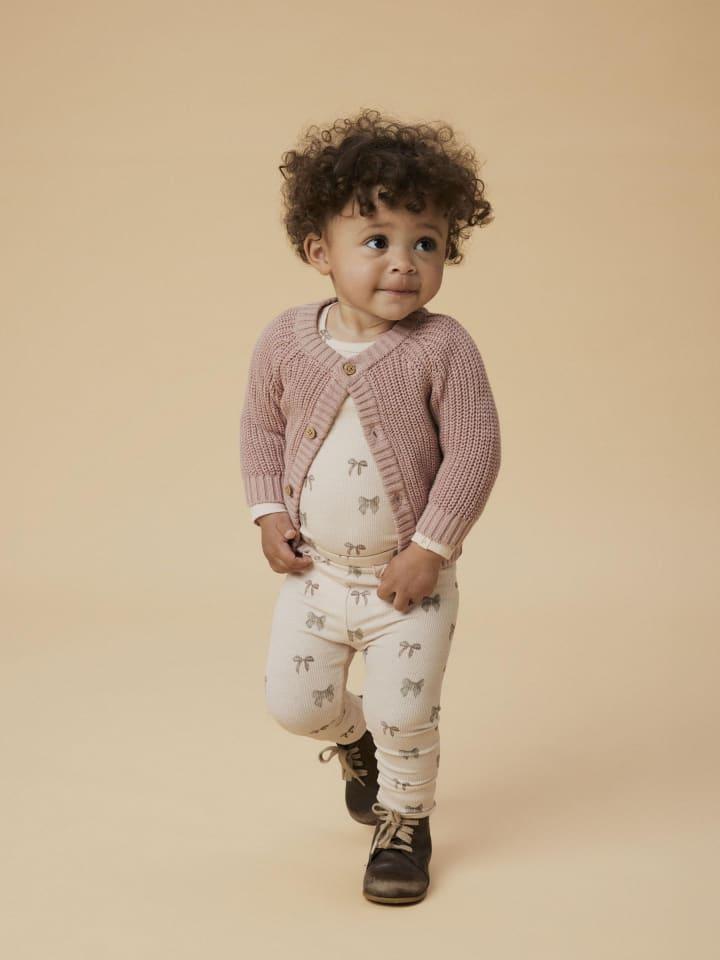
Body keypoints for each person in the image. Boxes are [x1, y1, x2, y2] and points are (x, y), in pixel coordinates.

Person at [238, 107, 501, 905]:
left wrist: (431, 549)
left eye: (426, 242)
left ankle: (405, 823)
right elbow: (260, 427)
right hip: (317, 577)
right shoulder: (285, 340)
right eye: (377, 239)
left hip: (407, 584)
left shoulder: (444, 346)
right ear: (319, 251)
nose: (403, 263)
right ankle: (354, 744)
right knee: (294, 705)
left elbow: (476, 451)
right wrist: (266, 513)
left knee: (405, 713)